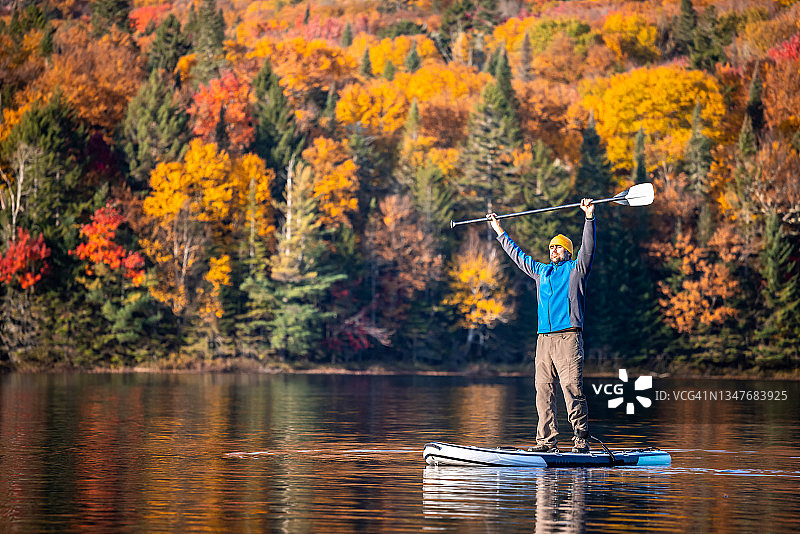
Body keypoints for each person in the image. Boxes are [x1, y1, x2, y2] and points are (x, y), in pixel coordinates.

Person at [487, 199, 595, 453]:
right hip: (543, 340)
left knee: (571, 389)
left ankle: (581, 441)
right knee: (543, 391)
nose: (553, 250)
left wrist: (589, 218)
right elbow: (518, 256)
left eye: (558, 247)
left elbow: (588, 249)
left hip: (568, 338)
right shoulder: (541, 273)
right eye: (551, 247)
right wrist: (499, 231)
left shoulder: (575, 271)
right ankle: (546, 442)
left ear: (568, 252)